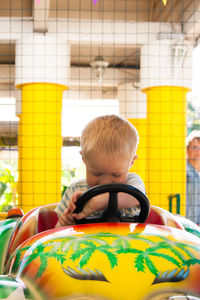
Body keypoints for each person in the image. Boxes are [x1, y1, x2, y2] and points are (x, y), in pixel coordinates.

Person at [55, 114, 146, 227]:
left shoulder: (131, 182)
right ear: (84, 159)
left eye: (116, 174)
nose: (105, 182)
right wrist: (66, 222)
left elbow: (137, 197)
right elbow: (57, 234)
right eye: (97, 173)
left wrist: (96, 203)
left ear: (131, 162)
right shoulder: (76, 189)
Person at [186, 130, 200, 224]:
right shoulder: (184, 173)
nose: (198, 151)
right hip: (186, 225)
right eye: (194, 147)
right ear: (187, 149)